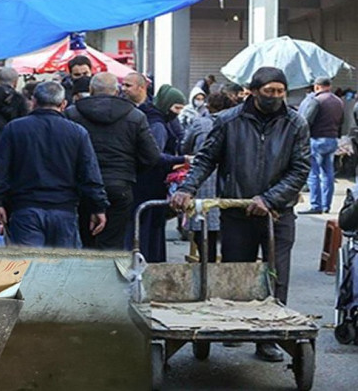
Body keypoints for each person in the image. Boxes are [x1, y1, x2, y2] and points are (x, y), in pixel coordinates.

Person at [171, 67, 310, 363]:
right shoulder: (227, 121)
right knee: (237, 272)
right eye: (269, 91)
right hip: (236, 210)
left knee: (276, 274)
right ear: (253, 91)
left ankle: (269, 337)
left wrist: (269, 198)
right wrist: (187, 189)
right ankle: (235, 325)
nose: (275, 97)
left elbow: (300, 168)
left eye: (280, 91)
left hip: (277, 213)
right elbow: (206, 159)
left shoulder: (295, 123)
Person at [0, 82, 108, 248]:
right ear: (63, 104)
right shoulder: (77, 133)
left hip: (26, 208)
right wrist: (98, 207)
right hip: (64, 209)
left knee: (28, 268)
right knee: (62, 269)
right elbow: (90, 174)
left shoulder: (15, 129)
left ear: (34, 101)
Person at [66, 73, 161, 249]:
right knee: (113, 242)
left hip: (83, 186)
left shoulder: (73, 114)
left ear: (91, 90)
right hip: (119, 184)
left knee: (85, 240)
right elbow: (152, 156)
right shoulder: (135, 116)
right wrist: (129, 170)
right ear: (117, 91)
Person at [129, 84, 188, 262]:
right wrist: (181, 159)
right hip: (150, 183)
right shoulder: (158, 126)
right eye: (176, 107)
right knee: (150, 228)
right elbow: (154, 156)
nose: (177, 113)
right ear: (166, 104)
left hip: (143, 182)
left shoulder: (147, 117)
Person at [179, 92, 235, 262]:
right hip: (229, 181)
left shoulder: (200, 123)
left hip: (203, 181)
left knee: (202, 228)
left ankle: (206, 265)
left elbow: (185, 146)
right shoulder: (236, 123)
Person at [300, 77, 344, 214]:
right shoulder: (339, 101)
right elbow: (341, 121)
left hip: (316, 140)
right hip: (332, 140)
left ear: (317, 86)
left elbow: (306, 121)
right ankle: (326, 205)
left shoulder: (317, 100)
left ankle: (316, 205)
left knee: (313, 174)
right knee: (328, 174)